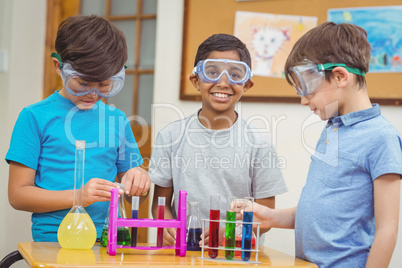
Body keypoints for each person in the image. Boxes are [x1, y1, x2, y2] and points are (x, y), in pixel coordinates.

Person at [248, 22, 402, 268]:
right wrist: (273, 218)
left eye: (306, 88)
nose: (302, 100)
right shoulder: (332, 129)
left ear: (340, 76)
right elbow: (324, 210)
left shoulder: (382, 138)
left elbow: (387, 230)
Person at [6, 15, 150, 242]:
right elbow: (17, 195)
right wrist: (78, 197)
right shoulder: (34, 117)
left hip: (105, 241)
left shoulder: (117, 120)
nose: (93, 93)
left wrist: (139, 180)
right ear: (59, 67)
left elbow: (132, 196)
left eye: (104, 84)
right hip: (53, 243)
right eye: (83, 83)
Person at [149, 33, 288, 246]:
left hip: (236, 256)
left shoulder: (259, 144)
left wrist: (228, 234)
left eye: (235, 74)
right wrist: (165, 223)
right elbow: (160, 204)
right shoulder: (170, 136)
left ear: (247, 85)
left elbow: (266, 217)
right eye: (212, 72)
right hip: (184, 253)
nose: (223, 83)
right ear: (196, 80)